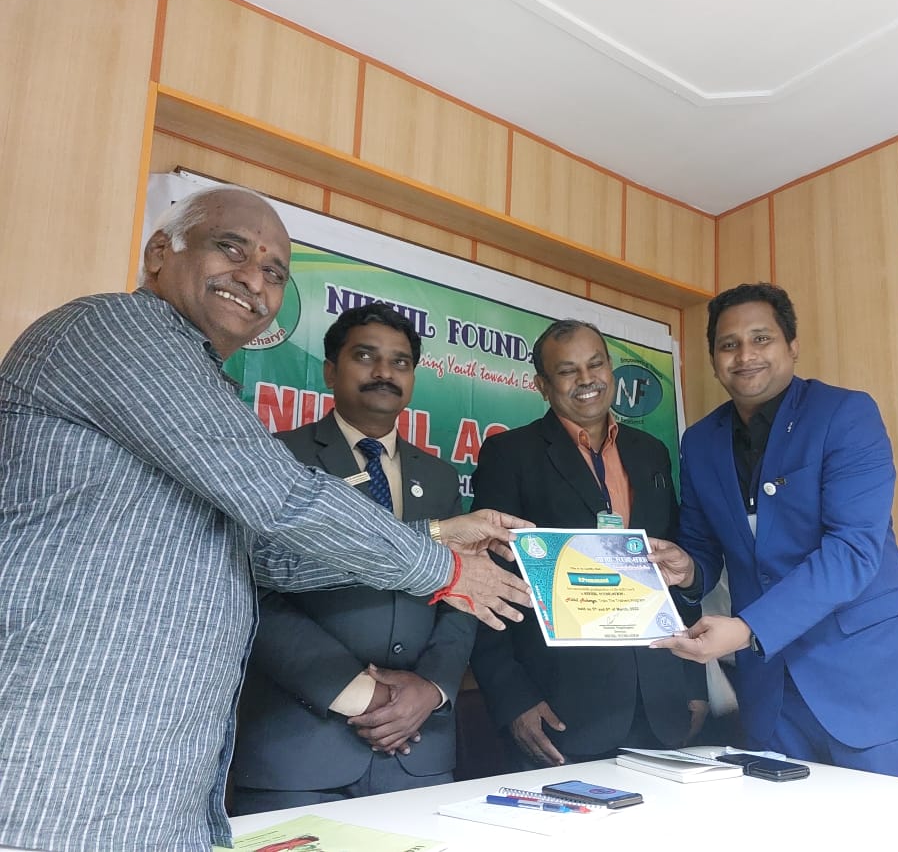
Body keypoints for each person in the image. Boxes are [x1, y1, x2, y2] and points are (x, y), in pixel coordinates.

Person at [0, 185, 530, 851]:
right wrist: (443, 567)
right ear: (159, 252)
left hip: (153, 768)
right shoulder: (116, 330)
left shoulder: (204, 386)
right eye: (231, 248)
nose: (254, 278)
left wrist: (438, 534)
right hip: (64, 748)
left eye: (276, 271)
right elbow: (284, 501)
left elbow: (265, 557)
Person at [651, 283, 898, 782]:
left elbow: (852, 551)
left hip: (872, 682)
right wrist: (687, 570)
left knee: (892, 823)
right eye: (729, 344)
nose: (745, 355)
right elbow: (703, 548)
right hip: (773, 695)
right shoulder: (700, 442)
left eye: (761, 339)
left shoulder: (846, 415)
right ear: (714, 360)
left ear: (792, 346)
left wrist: (746, 629)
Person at [231, 304, 474, 813]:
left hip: (419, 748)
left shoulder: (439, 477)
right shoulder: (278, 457)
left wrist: (431, 689)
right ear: (329, 371)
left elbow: (463, 591)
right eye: (365, 356)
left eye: (400, 362)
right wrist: (358, 691)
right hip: (300, 748)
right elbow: (251, 588)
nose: (384, 372)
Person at [469, 319, 708, 768]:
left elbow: (671, 571)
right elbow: (485, 583)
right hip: (562, 711)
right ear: (542, 385)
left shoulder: (651, 452)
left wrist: (694, 682)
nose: (586, 379)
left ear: (610, 369)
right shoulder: (511, 455)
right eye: (567, 370)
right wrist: (513, 699)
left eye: (595, 364)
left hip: (661, 705)